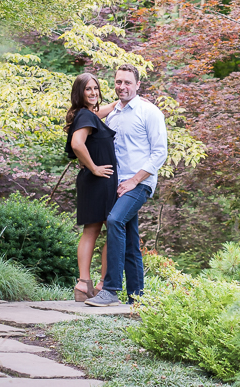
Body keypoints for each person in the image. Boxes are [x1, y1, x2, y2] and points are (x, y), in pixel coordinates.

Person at [84, 63, 166, 306]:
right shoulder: (112, 113)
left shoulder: (149, 112)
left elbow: (160, 153)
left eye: (128, 82)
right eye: (118, 82)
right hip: (116, 185)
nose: (122, 87)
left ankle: (110, 289)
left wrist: (134, 180)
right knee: (130, 239)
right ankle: (136, 296)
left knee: (115, 220)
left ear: (138, 85)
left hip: (139, 183)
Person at [65, 73, 119, 302]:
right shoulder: (86, 116)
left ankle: (83, 284)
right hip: (99, 180)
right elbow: (77, 144)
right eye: (88, 89)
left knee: (92, 231)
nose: (93, 92)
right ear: (79, 92)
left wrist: (121, 103)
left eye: (96, 88)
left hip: (91, 181)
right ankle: (103, 284)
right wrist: (95, 167)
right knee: (114, 230)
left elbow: (99, 113)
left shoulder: (85, 115)